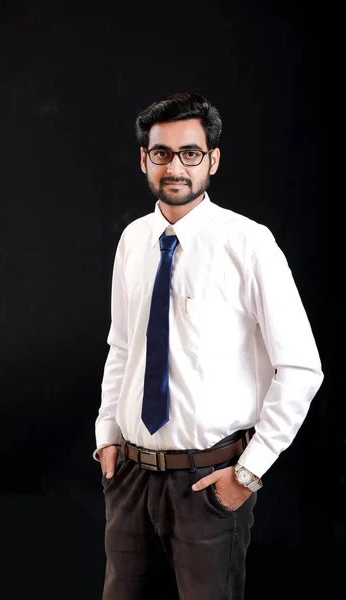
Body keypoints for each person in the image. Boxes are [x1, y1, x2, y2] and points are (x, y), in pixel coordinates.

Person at [93, 92, 324, 600]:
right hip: (130, 476)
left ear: (212, 159)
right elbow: (123, 346)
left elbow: (302, 368)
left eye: (190, 153)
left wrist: (249, 471)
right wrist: (107, 435)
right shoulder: (133, 240)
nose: (175, 166)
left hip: (208, 485)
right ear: (144, 159)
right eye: (162, 153)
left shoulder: (249, 243)